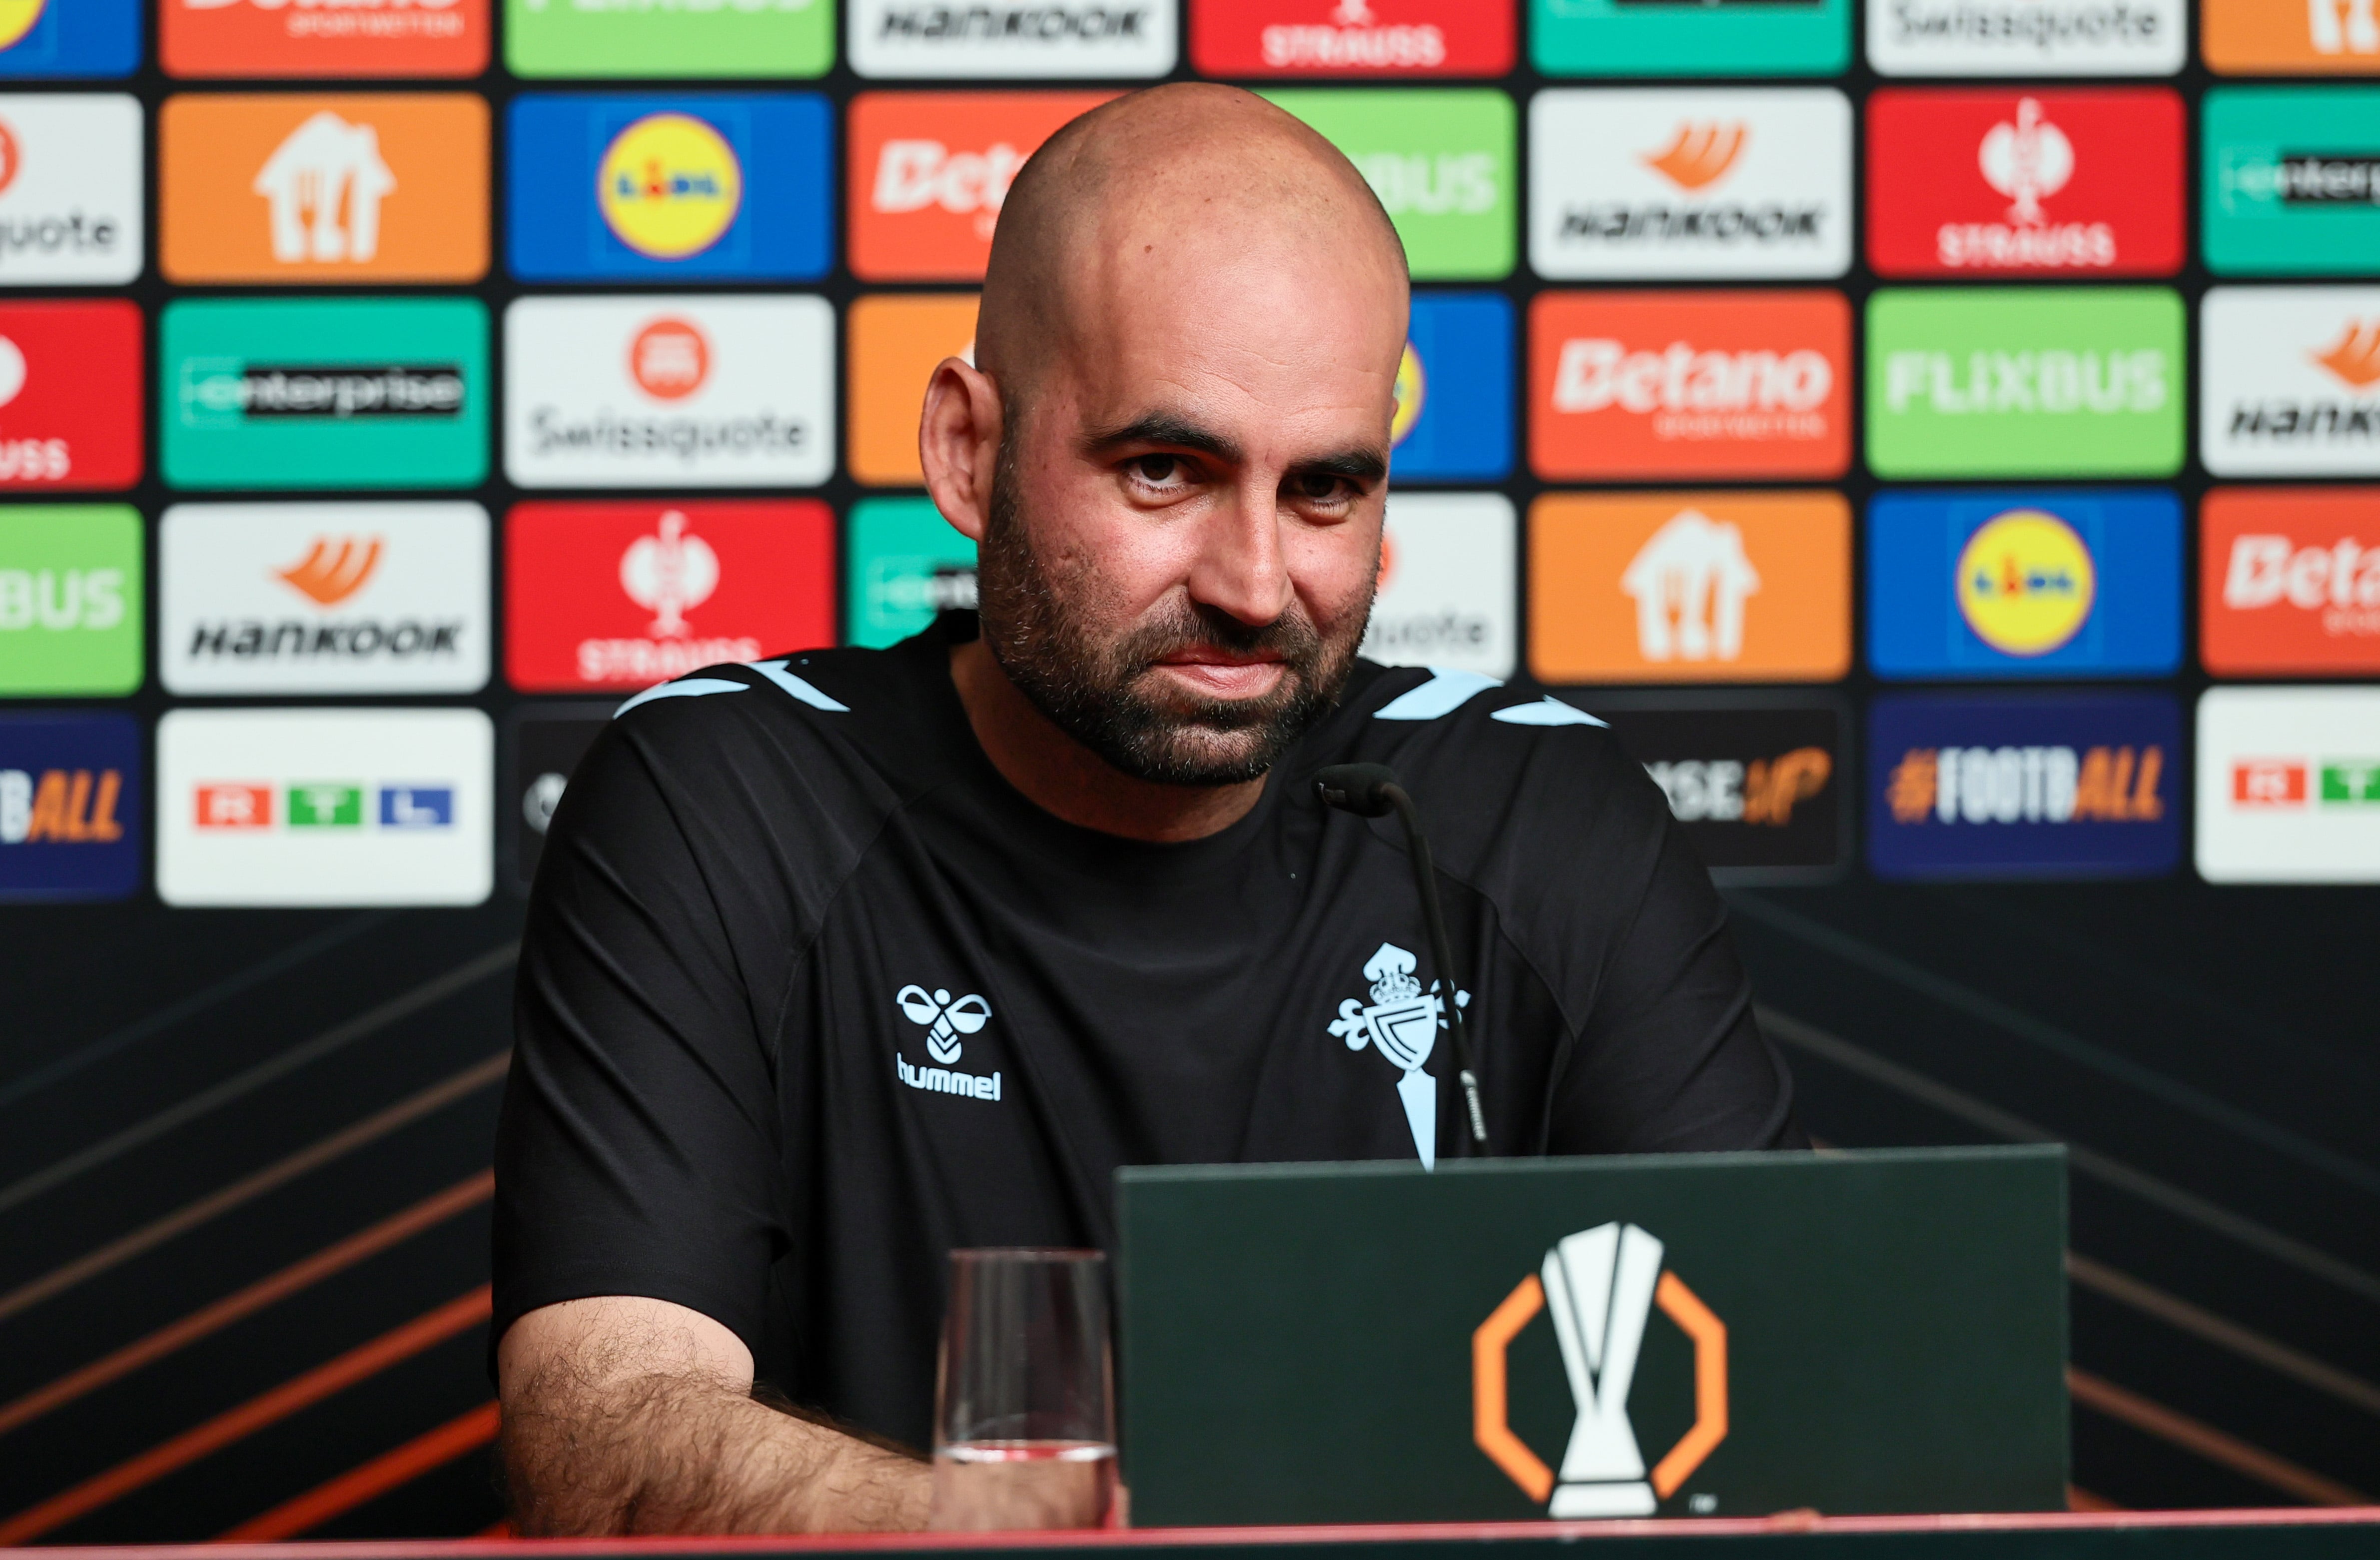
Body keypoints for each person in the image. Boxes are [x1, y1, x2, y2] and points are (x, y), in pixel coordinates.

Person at [492, 82, 1804, 1537]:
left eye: (1324, 489)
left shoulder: (1540, 816)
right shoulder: (722, 797)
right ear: (967, 451)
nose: (1253, 583)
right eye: (1163, 469)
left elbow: (1781, 1419)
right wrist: (1073, 1536)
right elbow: (597, 1440)